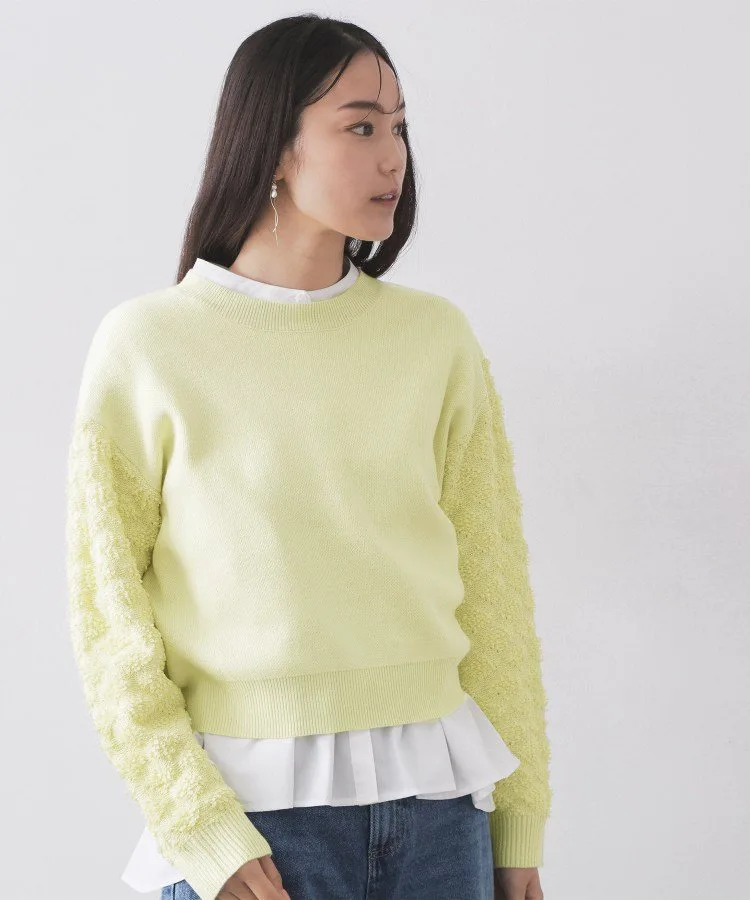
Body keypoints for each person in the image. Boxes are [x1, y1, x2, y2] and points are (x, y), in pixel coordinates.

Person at [65, 14, 552, 900]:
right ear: (273, 146)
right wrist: (197, 827)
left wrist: (520, 822)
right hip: (255, 826)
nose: (393, 157)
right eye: (360, 126)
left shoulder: (434, 339)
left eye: (399, 127)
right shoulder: (149, 346)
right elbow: (109, 623)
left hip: (444, 821)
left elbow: (495, 595)